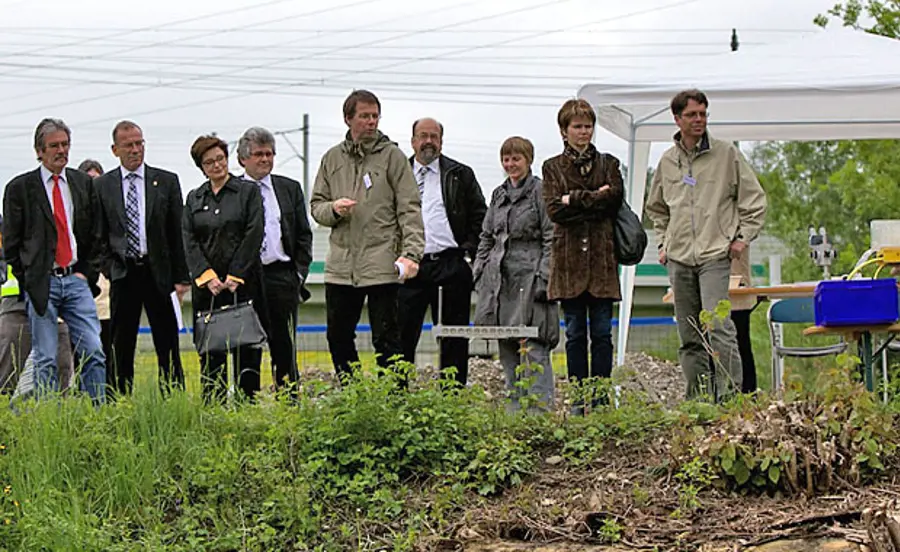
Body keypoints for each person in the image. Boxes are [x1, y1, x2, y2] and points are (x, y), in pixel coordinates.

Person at [645, 89, 767, 401]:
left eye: (703, 113)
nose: (699, 120)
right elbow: (656, 208)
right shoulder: (667, 161)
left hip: (715, 255)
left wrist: (742, 239)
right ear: (677, 119)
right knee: (689, 335)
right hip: (680, 258)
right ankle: (698, 402)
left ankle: (729, 400)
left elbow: (755, 201)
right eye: (692, 115)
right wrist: (663, 243)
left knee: (719, 328)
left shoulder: (726, 154)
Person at [310, 89, 424, 384]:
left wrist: (411, 254)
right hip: (341, 265)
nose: (371, 122)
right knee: (337, 336)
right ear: (348, 119)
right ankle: (354, 398)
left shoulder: (393, 157)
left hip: (382, 263)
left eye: (375, 116)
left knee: (387, 340)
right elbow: (316, 206)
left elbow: (410, 209)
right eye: (364, 116)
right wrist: (333, 209)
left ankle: (394, 403)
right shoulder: (331, 158)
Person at [1, 117, 106, 403]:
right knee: (46, 356)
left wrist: (87, 273)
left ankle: (97, 415)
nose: (61, 151)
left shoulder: (82, 183)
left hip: (75, 280)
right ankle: (48, 416)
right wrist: (30, 279)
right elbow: (11, 244)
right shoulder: (20, 189)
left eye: (65, 144)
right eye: (54, 146)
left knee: (93, 349)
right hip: (42, 282)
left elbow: (94, 233)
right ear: (39, 151)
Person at [94, 121, 190, 397]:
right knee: (120, 345)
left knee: (168, 343)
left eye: (140, 143)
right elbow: (98, 234)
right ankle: (119, 403)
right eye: (129, 145)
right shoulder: (102, 186)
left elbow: (177, 232)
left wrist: (181, 278)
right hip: (123, 273)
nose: (136, 150)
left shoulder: (166, 181)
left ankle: (173, 400)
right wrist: (110, 268)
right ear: (115, 150)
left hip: (159, 273)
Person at [542, 99, 624, 415]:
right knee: (575, 335)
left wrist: (573, 199)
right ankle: (577, 400)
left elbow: (613, 201)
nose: (583, 131)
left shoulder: (610, 164)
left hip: (602, 262)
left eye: (587, 125)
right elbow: (555, 211)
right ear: (564, 131)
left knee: (602, 335)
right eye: (577, 126)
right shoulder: (552, 167)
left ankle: (601, 399)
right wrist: (593, 197)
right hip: (569, 263)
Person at [398, 117, 486, 386]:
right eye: (423, 136)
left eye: (434, 136)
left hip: (450, 264)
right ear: (412, 141)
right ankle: (397, 399)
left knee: (454, 337)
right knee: (401, 336)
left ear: (441, 141)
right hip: (408, 265)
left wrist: (469, 252)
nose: (428, 142)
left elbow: (480, 216)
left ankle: (452, 396)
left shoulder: (460, 174)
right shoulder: (397, 174)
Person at [474, 137, 558, 412]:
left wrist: (545, 277)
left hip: (530, 278)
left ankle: (538, 414)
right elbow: (487, 236)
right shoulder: (498, 195)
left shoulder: (541, 193)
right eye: (506, 159)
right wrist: (480, 270)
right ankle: (514, 415)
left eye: (516, 159)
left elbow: (551, 237)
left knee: (533, 346)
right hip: (499, 281)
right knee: (507, 347)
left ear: (528, 160)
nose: (510, 164)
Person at [183, 135, 264, 402]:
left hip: (243, 285)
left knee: (246, 356)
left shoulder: (248, 192)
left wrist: (235, 274)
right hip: (209, 291)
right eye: (209, 162)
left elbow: (254, 233)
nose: (217, 165)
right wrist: (206, 277)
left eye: (220, 159)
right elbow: (189, 240)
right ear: (201, 167)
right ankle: (213, 412)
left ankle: (247, 409)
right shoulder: (194, 198)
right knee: (211, 357)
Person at [236, 127, 313, 392]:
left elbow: (303, 234)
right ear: (243, 159)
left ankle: (289, 405)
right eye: (259, 154)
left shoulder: (288, 189)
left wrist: (298, 273)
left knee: (284, 347)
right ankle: (248, 404)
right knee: (247, 347)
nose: (265, 159)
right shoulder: (233, 191)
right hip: (245, 279)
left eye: (269, 154)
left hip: (281, 276)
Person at [77, 159, 113, 367]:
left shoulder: (110, 211)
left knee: (108, 351)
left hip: (107, 294)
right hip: (81, 289)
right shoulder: (76, 213)